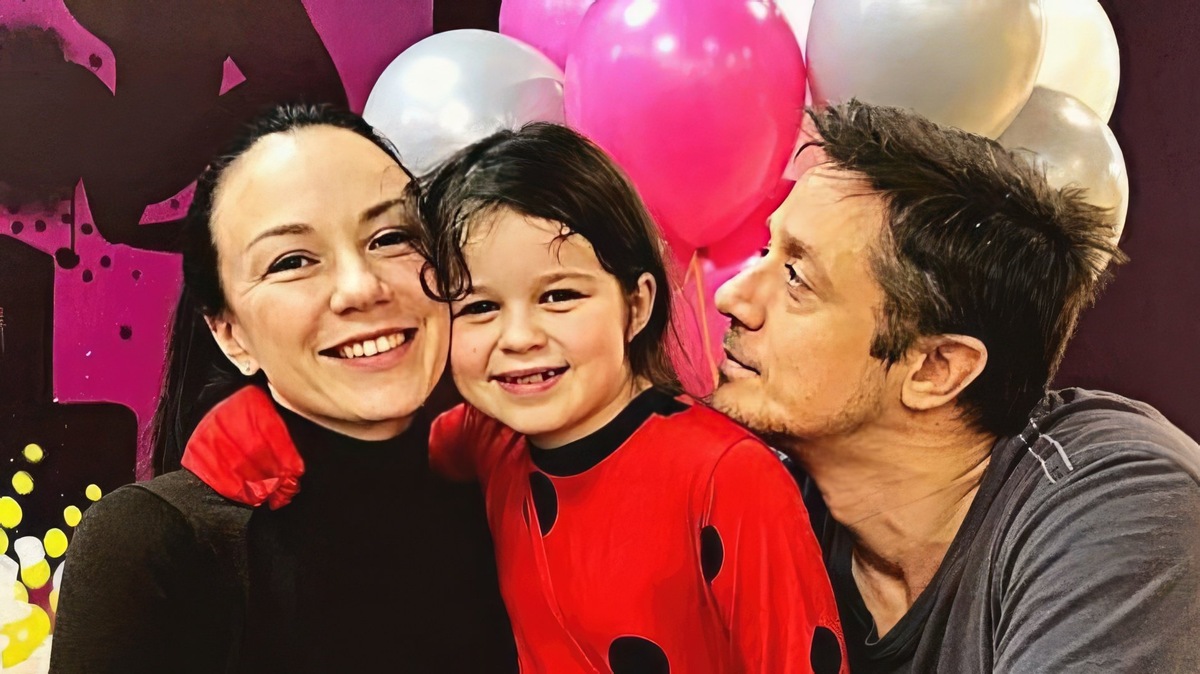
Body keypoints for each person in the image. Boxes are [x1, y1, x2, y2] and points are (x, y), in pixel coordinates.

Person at [710, 100, 1200, 673]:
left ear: (936, 369)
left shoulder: (1122, 505)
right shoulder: (756, 506)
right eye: (766, 252)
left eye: (796, 277)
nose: (731, 297)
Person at [50, 103, 516, 673]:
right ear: (230, 334)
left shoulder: (509, 493)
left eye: (391, 237)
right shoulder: (157, 544)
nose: (361, 287)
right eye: (292, 260)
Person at [417, 122, 848, 674]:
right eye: (479, 307)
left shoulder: (728, 478)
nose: (519, 337)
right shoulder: (486, 438)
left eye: (559, 296)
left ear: (637, 305)